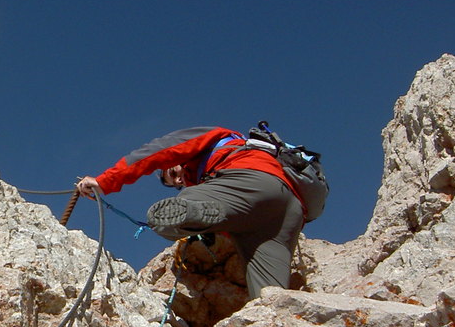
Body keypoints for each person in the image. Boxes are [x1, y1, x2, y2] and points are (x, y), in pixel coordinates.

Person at [77, 126, 305, 299]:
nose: (178, 179)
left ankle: (193, 212)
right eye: (174, 182)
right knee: (270, 298)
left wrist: (104, 182)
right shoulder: (236, 159)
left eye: (173, 171)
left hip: (251, 180)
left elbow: (156, 151)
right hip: (287, 211)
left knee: (167, 216)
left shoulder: (214, 140)